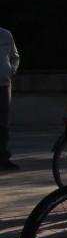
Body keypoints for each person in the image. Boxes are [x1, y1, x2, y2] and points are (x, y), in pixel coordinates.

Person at [0, 20, 16, 169]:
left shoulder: (5, 35)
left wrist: (10, 71)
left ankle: (3, 158)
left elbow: (14, 56)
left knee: (4, 123)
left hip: (4, 83)